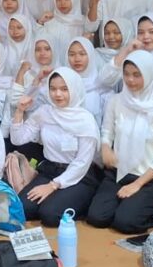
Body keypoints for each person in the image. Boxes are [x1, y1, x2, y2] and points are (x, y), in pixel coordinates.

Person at [87, 51, 153, 234]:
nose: (130, 80)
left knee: (124, 223)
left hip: (150, 178)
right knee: (97, 217)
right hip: (119, 173)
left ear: (149, 75)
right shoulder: (116, 101)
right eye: (126, 74)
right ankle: (130, 205)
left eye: (137, 75)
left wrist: (137, 185)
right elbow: (107, 131)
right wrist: (105, 147)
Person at [11, 68, 101, 226]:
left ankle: (83, 201)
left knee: (50, 215)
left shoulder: (85, 120)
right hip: (50, 171)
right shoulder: (45, 112)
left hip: (79, 176)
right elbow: (18, 139)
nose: (57, 94)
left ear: (74, 89)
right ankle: (59, 199)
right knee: (22, 208)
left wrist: (53, 186)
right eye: (53, 89)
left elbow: (82, 163)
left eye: (64, 89)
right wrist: (19, 111)